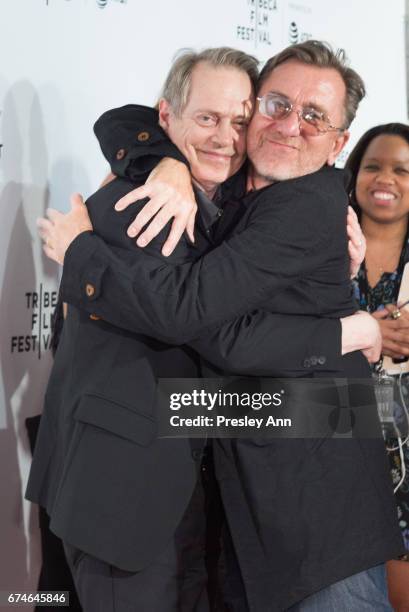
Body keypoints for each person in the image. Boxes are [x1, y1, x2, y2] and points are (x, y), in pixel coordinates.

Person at [35, 40, 404, 611]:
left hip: (314, 514)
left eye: (314, 117)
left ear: (338, 144)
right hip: (148, 504)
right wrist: (163, 162)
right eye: (274, 106)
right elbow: (123, 120)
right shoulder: (161, 201)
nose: (281, 127)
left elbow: (201, 325)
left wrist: (78, 252)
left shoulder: (303, 205)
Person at [346, 123, 409, 611]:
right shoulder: (323, 248)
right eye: (373, 166)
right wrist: (365, 332)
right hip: (337, 442)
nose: (385, 178)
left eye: (403, 170)